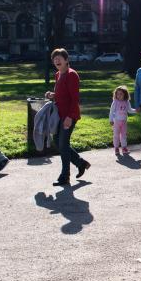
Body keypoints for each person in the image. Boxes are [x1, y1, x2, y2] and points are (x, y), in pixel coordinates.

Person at [45, 48, 89, 186]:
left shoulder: (72, 75)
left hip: (70, 115)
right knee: (58, 142)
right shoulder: (58, 74)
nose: (57, 61)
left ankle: (65, 176)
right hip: (59, 115)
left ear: (66, 60)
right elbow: (62, 94)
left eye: (59, 58)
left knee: (63, 144)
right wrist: (53, 95)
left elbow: (74, 98)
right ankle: (80, 163)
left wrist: (70, 117)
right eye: (55, 58)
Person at [109, 85, 136, 156]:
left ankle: (124, 147)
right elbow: (111, 112)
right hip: (116, 122)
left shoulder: (127, 102)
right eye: (117, 94)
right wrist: (111, 120)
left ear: (125, 94)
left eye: (121, 94)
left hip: (124, 122)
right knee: (116, 135)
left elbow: (130, 110)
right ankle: (116, 148)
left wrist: (136, 110)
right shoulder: (115, 102)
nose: (119, 95)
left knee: (124, 135)